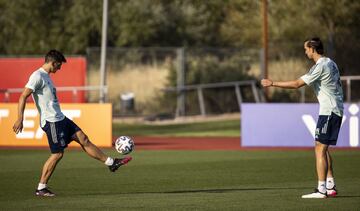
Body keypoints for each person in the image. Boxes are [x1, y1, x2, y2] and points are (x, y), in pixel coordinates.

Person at [12, 49, 132, 197]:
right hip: (52, 122)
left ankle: (111, 163)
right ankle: (41, 187)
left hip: (60, 118)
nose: (60, 68)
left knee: (83, 138)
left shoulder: (46, 76)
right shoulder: (37, 76)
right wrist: (20, 118)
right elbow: (23, 96)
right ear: (53, 62)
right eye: (59, 65)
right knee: (57, 154)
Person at [261, 37, 343, 199]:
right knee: (322, 146)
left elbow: (297, 84)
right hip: (335, 109)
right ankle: (330, 185)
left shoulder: (320, 66)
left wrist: (272, 83)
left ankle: (321, 190)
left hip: (329, 111)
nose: (305, 51)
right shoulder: (331, 62)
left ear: (312, 49)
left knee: (320, 148)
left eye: (306, 49)